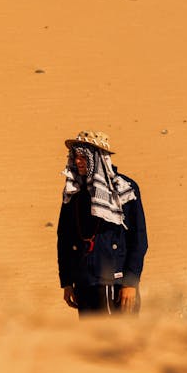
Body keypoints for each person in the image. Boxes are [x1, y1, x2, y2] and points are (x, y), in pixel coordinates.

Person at [56, 131, 148, 316]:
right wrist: (67, 281)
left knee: (120, 340)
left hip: (116, 284)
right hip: (84, 282)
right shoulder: (73, 192)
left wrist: (130, 282)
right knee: (91, 342)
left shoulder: (124, 189)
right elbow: (64, 238)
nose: (78, 161)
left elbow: (138, 238)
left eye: (83, 156)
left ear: (98, 158)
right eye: (75, 156)